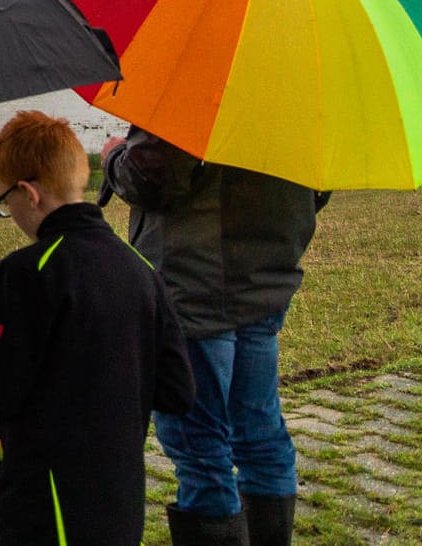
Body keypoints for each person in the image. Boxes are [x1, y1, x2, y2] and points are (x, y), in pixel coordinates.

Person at [0, 111, 194, 545]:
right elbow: (177, 391)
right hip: (118, 503)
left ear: (29, 193)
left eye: (3, 202)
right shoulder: (141, 268)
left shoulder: (25, 272)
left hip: (41, 508)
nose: (10, 214)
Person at [103, 127, 328, 546]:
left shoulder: (200, 72)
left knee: (201, 450)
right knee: (260, 433)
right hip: (264, 275)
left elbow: (156, 175)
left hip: (195, 285)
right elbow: (321, 180)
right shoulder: (305, 81)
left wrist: (114, 157)